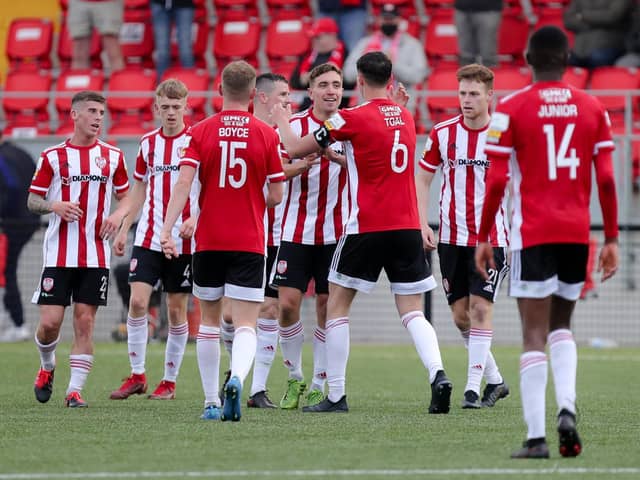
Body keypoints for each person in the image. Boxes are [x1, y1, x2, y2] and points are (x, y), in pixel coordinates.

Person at [272, 51, 452, 414]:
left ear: (359, 79)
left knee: (336, 306)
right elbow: (372, 149)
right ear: (391, 80)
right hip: (405, 226)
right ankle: (438, 374)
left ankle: (335, 395)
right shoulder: (404, 115)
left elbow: (293, 148)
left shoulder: (349, 117)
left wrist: (281, 119)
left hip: (367, 225)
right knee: (413, 311)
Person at [475, 26, 619, 458]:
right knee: (562, 327)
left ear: (527, 58)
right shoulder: (595, 107)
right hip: (577, 233)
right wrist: (610, 236)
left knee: (533, 334)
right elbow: (609, 178)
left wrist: (484, 235)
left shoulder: (510, 108)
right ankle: (567, 408)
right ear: (568, 58)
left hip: (530, 233)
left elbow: (497, 178)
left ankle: (537, 437)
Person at [160, 60, 285, 422]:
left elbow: (183, 183)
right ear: (252, 94)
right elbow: (276, 194)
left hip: (209, 239)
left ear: (218, 90)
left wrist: (167, 229)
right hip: (249, 239)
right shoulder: (266, 134)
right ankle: (239, 379)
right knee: (247, 324)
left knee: (210, 322)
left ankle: (211, 400)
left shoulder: (199, 132)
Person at [28, 90, 130, 408]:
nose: (98, 117)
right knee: (49, 324)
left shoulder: (113, 157)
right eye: (91, 111)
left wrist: (116, 216)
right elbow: (32, 201)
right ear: (74, 115)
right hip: (59, 254)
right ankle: (47, 367)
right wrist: (54, 205)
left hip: (95, 254)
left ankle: (74, 391)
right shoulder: (52, 157)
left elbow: (129, 197)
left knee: (85, 321)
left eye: (102, 112)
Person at [416, 63, 510, 409]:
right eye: (462, 93)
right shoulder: (442, 133)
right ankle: (496, 381)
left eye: (474, 94)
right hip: (450, 240)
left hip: (491, 240)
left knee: (481, 309)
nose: (467, 100)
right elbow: (423, 178)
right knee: (460, 316)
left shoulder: (503, 134)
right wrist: (422, 221)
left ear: (489, 96)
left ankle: (472, 390)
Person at [109, 79, 198, 401]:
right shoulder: (148, 144)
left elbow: (211, 188)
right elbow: (139, 189)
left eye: (177, 106)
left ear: (186, 107)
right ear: (156, 108)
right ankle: (137, 374)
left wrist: (194, 217)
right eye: (165, 107)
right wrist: (123, 226)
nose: (171, 113)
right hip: (147, 236)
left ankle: (169, 382)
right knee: (136, 302)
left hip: (184, 241)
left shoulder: (197, 140)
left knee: (176, 311)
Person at [272, 63, 349, 410]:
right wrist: (300, 165)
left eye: (336, 84)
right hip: (295, 230)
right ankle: (295, 376)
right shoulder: (294, 127)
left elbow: (367, 164)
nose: (332, 90)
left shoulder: (351, 124)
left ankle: (319, 380)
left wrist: (336, 158)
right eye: (324, 85)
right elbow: (274, 171)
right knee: (286, 306)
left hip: (337, 233)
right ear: (311, 90)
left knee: (326, 307)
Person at [0, 134, 41, 342]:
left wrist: (3, 215)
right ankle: (14, 321)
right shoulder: (21, 153)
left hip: (12, 223)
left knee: (7, 270)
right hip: (29, 220)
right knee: (9, 269)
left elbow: (13, 187)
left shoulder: (3, 157)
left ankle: (17, 322)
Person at [343, 5, 428, 89]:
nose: (388, 22)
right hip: (370, 100)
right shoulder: (365, 43)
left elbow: (418, 77)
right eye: (385, 19)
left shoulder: (412, 44)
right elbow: (348, 74)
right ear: (378, 20)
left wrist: (391, 65)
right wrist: (369, 65)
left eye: (391, 19)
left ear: (399, 20)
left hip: (399, 100)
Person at [290, 18, 353, 111]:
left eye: (318, 37)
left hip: (336, 109)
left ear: (332, 36)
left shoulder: (346, 55)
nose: (314, 40)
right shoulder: (308, 55)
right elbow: (295, 82)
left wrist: (311, 77)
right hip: (307, 107)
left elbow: (348, 82)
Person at [454, 0, 537, 67]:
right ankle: (466, 75)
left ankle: (491, 75)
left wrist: (528, 11)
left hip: (490, 9)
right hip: (462, 8)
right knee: (465, 51)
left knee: (488, 51)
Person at [564, 0, 633, 69]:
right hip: (580, 48)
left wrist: (583, 15)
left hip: (608, 45)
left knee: (597, 59)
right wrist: (597, 22)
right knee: (564, 61)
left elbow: (612, 16)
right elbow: (568, 21)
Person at [68, 0, 125, 71]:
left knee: (112, 49)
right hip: (79, 2)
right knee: (79, 54)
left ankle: (119, 81)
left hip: (109, 2)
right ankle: (78, 81)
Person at [151, 0, 195, 80]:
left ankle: (190, 86)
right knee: (162, 52)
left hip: (184, 4)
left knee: (185, 50)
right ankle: (162, 88)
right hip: (160, 4)